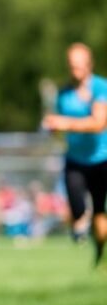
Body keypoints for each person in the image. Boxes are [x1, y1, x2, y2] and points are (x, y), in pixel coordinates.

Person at [42, 43, 107, 266]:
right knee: (77, 210)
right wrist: (53, 128)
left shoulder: (100, 88)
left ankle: (99, 251)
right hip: (75, 160)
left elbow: (99, 124)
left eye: (78, 66)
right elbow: (59, 131)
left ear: (89, 65)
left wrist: (65, 123)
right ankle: (82, 220)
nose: (74, 71)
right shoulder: (63, 94)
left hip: (102, 159)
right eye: (71, 66)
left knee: (100, 213)